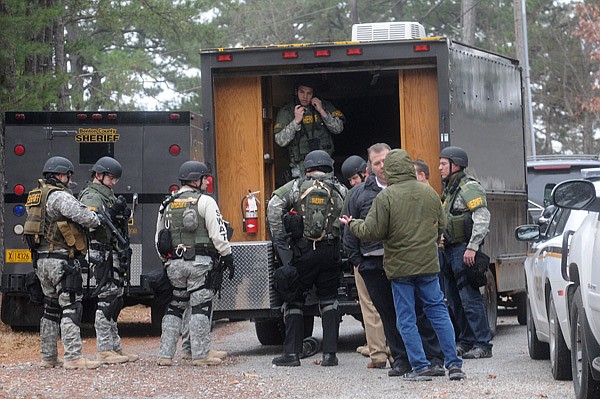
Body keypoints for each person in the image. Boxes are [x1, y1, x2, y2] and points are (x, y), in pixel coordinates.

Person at [341, 149, 466, 381]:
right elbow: (443, 225)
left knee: (406, 317)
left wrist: (353, 224)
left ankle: (419, 367)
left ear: (390, 170)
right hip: (428, 265)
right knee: (438, 312)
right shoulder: (429, 192)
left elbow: (373, 231)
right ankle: (454, 365)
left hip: (400, 269)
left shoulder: (386, 197)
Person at [267, 150, 347, 367]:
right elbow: (348, 212)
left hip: (303, 252)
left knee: (294, 300)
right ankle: (330, 354)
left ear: (308, 167)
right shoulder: (338, 188)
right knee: (329, 300)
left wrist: (280, 241)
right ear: (328, 167)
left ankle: (292, 354)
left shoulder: (295, 186)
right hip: (330, 251)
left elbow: (274, 206)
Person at [23, 156, 102, 369]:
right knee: (71, 307)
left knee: (50, 308)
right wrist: (97, 219)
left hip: (41, 261)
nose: (69, 180)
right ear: (59, 175)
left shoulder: (36, 196)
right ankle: (73, 357)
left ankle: (48, 357)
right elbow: (84, 216)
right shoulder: (58, 196)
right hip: (61, 261)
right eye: (67, 176)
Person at [155, 161, 234, 366]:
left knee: (175, 307)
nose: (208, 181)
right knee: (201, 307)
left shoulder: (167, 203)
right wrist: (227, 255)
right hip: (200, 264)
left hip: (175, 265)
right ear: (196, 180)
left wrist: (167, 262)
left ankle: (165, 355)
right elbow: (218, 233)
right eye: (205, 178)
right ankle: (200, 354)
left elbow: (159, 238)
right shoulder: (205, 202)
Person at [78, 156, 138, 364]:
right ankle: (104, 349)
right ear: (99, 175)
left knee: (116, 299)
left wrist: (121, 214)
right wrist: (112, 213)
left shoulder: (108, 196)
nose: (113, 182)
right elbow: (91, 222)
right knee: (106, 299)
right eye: (111, 178)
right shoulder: (92, 196)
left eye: (116, 179)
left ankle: (115, 348)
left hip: (112, 250)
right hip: (100, 251)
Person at [438, 146, 493, 359]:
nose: (440, 168)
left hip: (463, 249)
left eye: (444, 164)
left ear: (456, 165)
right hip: (449, 249)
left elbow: (482, 216)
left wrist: (472, 247)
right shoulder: (450, 189)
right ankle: (466, 340)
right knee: (453, 298)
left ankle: (483, 344)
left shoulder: (468, 187)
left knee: (470, 298)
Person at [341, 154, 388, 367]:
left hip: (372, 258)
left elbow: (347, 228)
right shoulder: (396, 189)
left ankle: (379, 353)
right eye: (349, 180)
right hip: (375, 258)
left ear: (365, 172)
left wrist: (356, 259)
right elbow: (348, 229)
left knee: (372, 307)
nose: (352, 183)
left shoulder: (356, 195)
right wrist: (356, 259)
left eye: (354, 178)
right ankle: (389, 351)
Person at [274, 77, 345, 178]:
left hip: (324, 163)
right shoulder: (287, 111)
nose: (305, 96)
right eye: (302, 92)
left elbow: (338, 129)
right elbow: (280, 141)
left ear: (314, 94)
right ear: (296, 92)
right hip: (300, 166)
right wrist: (295, 122)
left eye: (309, 93)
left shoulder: (324, 106)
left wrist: (322, 112)